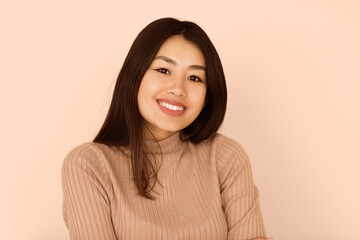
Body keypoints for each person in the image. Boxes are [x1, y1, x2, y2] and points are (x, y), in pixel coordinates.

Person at [62, 18, 268, 240]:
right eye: (163, 69)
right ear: (135, 76)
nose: (178, 89)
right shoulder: (89, 165)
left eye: (194, 77)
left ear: (207, 96)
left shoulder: (226, 157)